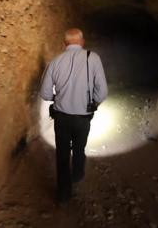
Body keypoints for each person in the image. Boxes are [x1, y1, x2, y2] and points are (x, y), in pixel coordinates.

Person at [39, 28, 108, 202]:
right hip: (83, 117)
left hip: (61, 117)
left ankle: (63, 194)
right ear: (82, 42)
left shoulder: (55, 62)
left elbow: (45, 93)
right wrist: (95, 102)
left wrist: (58, 97)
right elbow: (103, 91)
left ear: (65, 44)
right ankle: (77, 175)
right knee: (79, 148)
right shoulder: (92, 58)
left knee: (62, 154)